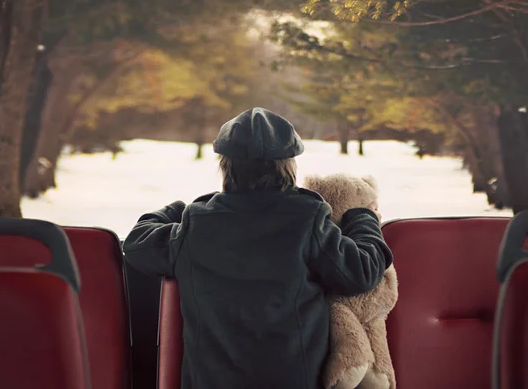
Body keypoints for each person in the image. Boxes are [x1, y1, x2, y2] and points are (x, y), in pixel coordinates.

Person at [123, 107, 393, 389]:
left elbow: (137, 243)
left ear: (225, 165)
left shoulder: (198, 224)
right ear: (289, 165)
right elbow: (361, 272)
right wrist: (362, 217)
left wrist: (180, 210)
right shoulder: (307, 218)